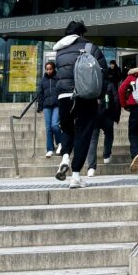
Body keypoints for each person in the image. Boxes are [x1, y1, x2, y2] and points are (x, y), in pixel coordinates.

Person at [53, 21, 108, 189]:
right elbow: (102, 71)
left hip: (63, 97)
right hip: (84, 96)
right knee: (83, 134)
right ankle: (75, 176)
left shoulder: (59, 50)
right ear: (81, 33)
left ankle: (65, 158)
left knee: (67, 129)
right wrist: (100, 94)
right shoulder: (90, 47)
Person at [86, 80, 120, 176]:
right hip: (107, 115)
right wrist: (116, 116)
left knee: (93, 141)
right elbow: (116, 99)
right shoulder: (110, 84)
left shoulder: (91, 84)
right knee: (109, 135)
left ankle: (91, 168)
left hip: (94, 115)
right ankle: (106, 155)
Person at [36, 61, 62, 158]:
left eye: (50, 69)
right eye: (47, 69)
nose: (48, 71)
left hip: (57, 104)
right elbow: (40, 94)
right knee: (48, 128)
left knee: (55, 125)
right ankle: (50, 149)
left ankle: (60, 143)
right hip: (47, 106)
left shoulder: (58, 78)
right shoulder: (43, 80)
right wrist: (40, 106)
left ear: (54, 69)